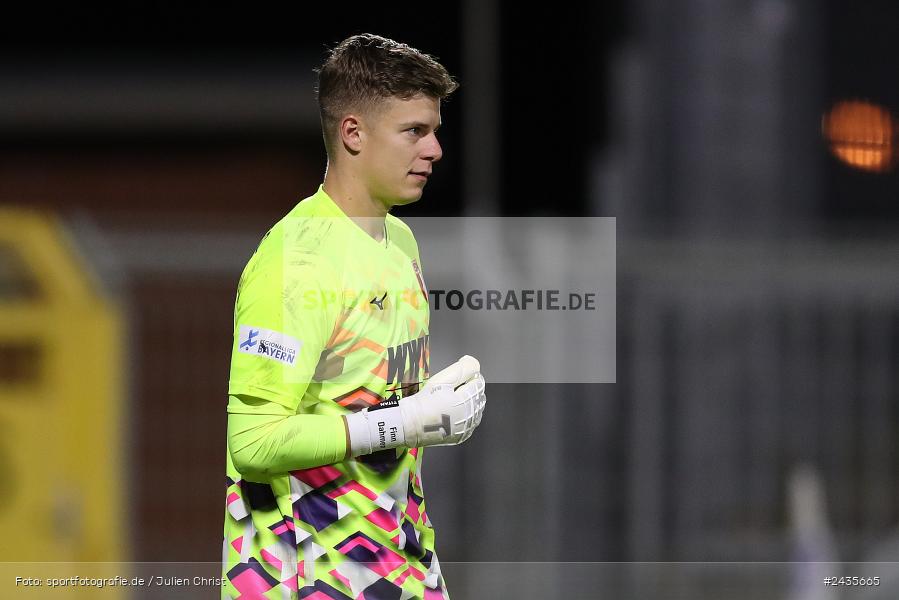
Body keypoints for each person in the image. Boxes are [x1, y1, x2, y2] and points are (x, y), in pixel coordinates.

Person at [221, 33, 486, 599]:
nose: (435, 148)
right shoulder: (297, 262)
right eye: (415, 130)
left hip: (400, 567)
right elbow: (254, 442)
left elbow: (359, 403)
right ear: (353, 133)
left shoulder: (401, 243)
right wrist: (405, 422)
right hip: (307, 579)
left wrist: (416, 406)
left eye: (435, 130)